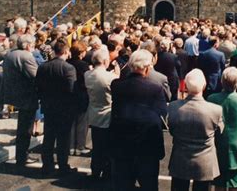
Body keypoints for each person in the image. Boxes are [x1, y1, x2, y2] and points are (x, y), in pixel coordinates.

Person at [110, 49, 167, 190]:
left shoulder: (117, 85)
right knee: (149, 184)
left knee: (123, 183)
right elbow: (162, 113)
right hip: (147, 144)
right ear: (147, 68)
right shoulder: (155, 88)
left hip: (122, 142)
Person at [168, 69, 224, 191]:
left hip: (180, 158)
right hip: (204, 161)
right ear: (204, 86)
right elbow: (219, 131)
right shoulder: (215, 110)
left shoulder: (173, 107)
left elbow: (172, 130)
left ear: (186, 86)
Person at [207, 67, 237, 190]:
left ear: (222, 81)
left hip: (217, 145)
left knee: (218, 183)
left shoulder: (212, 98)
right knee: (236, 185)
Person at [36, 38, 77, 176]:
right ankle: (63, 165)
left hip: (48, 106)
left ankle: (47, 165)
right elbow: (72, 90)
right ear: (65, 51)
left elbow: (38, 87)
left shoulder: (43, 66)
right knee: (63, 139)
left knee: (48, 137)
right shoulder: (68, 68)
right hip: (64, 108)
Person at [2, 34, 39, 173]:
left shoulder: (10, 54)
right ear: (28, 45)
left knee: (22, 127)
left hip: (15, 94)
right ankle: (22, 156)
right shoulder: (27, 56)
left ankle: (21, 155)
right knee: (26, 129)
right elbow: (35, 75)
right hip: (27, 96)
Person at [85, 49, 118, 180]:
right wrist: (116, 74)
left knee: (97, 145)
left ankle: (95, 170)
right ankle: (107, 171)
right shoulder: (111, 77)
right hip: (108, 113)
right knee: (108, 145)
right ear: (105, 61)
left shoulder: (87, 74)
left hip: (94, 112)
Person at [67, 41, 90, 156]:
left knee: (71, 122)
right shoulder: (84, 65)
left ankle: (70, 146)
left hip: (69, 95)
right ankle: (80, 146)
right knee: (82, 121)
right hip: (81, 94)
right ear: (81, 53)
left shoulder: (67, 63)